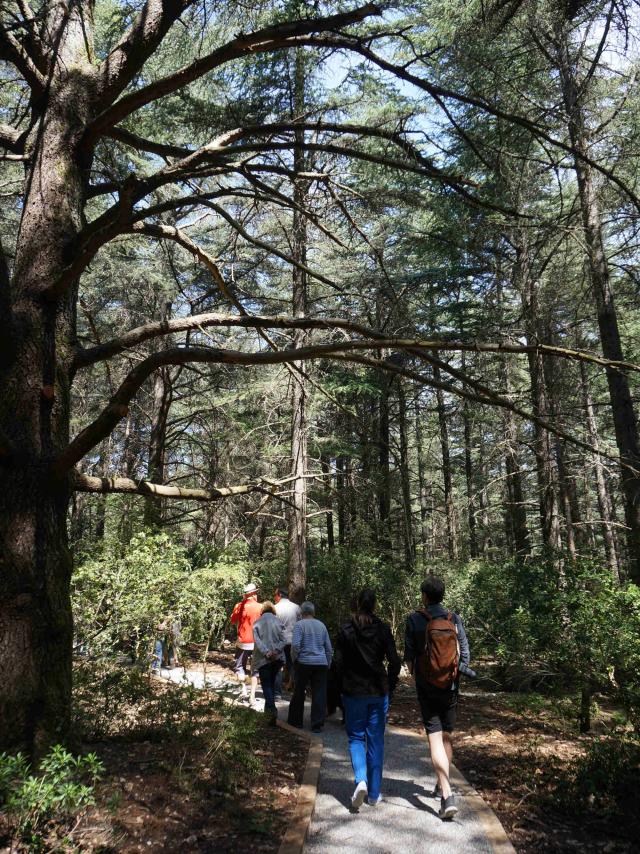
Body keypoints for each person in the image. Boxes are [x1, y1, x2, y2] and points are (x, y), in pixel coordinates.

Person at [404, 575, 471, 821]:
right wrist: (455, 676)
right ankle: (442, 782)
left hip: (427, 687)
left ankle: (446, 795)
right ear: (442, 595)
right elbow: (465, 653)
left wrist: (417, 675)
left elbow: (409, 656)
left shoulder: (414, 619)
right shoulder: (455, 619)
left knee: (434, 738)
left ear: (425, 595)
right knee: (446, 736)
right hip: (451, 687)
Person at [334, 589, 401, 811]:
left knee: (355, 738)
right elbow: (394, 662)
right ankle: (373, 794)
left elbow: (338, 663)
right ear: (374, 606)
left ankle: (360, 779)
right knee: (376, 741)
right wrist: (389, 687)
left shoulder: (345, 629)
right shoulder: (382, 629)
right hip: (377, 691)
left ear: (356, 604)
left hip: (353, 692)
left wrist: (340, 689)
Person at [287, 602, 332, 733]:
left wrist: (294, 659)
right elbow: (328, 648)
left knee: (299, 691)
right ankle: (317, 724)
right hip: (321, 663)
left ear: (301, 612)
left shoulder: (299, 625)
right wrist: (327, 663)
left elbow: (295, 646)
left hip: (304, 662)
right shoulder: (321, 625)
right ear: (313, 612)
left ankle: (296, 721)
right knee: (319, 693)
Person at [253, 601, 286, 722]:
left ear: (262, 610)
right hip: (277, 659)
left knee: (266, 685)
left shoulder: (257, 622)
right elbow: (284, 640)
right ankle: (269, 716)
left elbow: (257, 642)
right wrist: (276, 651)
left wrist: (267, 652)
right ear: (273, 610)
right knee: (271, 685)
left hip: (263, 659)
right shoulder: (279, 622)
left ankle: (271, 711)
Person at [230, 582, 262, 705]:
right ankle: (252, 696)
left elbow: (233, 621)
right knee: (255, 669)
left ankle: (243, 690)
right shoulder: (261, 607)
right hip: (257, 642)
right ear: (254, 593)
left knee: (239, 667)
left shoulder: (239, 606)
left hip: (242, 641)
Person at [274, 586, 301, 697]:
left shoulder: (275, 608)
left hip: (280, 641)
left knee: (278, 665)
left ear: (279, 595)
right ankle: (294, 690)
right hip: (293, 641)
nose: (274, 597)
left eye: (275, 595)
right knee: (293, 665)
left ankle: (277, 692)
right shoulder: (296, 607)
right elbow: (300, 623)